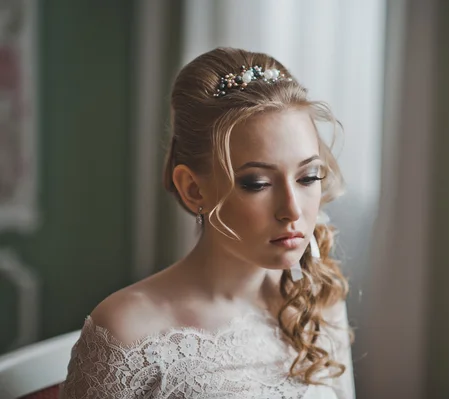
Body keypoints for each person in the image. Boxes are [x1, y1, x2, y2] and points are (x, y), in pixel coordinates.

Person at [59, 47, 355, 399]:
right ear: (193, 189)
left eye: (308, 177)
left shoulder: (317, 298)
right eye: (257, 183)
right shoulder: (127, 332)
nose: (292, 210)